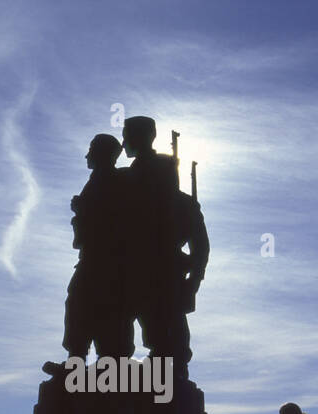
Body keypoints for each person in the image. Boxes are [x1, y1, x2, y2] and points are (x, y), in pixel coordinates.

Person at [122, 115, 209, 378]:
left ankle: (170, 371)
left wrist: (194, 279)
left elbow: (200, 247)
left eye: (128, 134)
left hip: (158, 272)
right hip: (129, 269)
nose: (124, 141)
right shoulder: (123, 184)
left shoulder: (176, 201)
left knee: (168, 333)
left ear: (142, 137)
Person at [59, 133, 133, 363]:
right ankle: (77, 359)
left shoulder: (115, 180)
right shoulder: (100, 179)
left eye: (91, 149)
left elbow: (114, 220)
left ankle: (104, 361)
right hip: (93, 257)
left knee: (100, 308)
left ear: (102, 153)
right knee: (78, 304)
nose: (87, 155)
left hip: (106, 260)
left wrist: (83, 209)